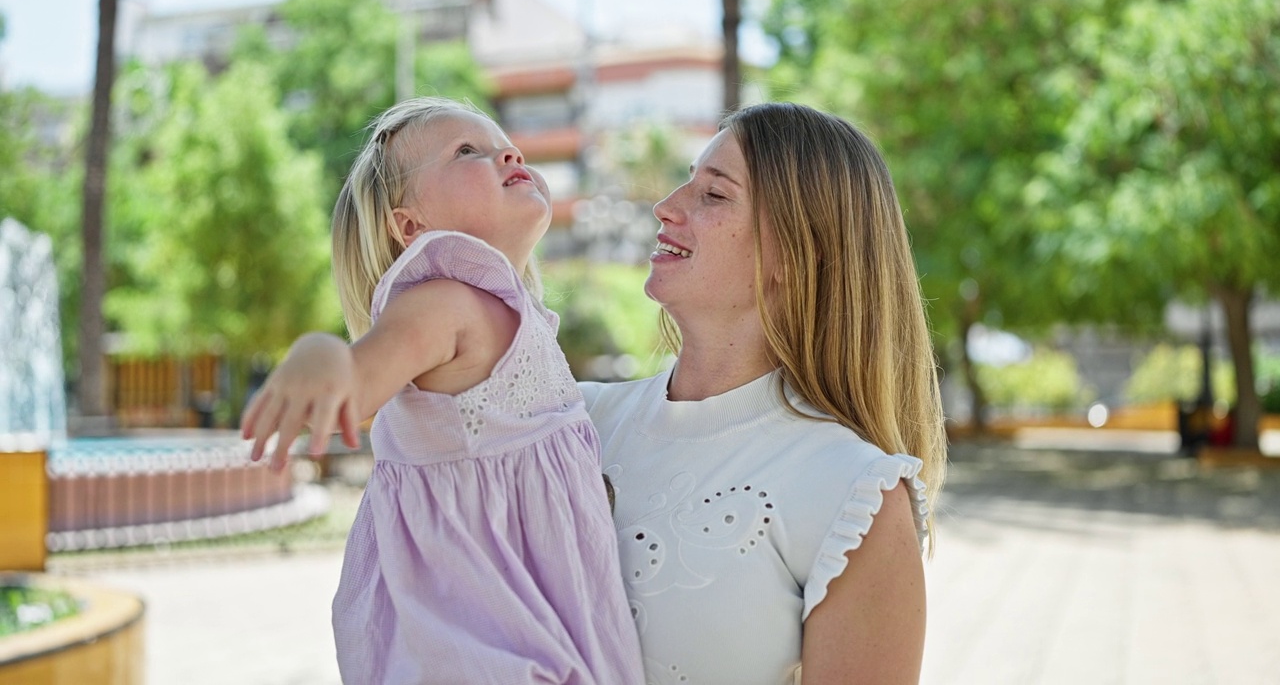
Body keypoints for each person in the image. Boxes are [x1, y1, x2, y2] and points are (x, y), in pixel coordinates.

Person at [239, 97, 644, 684]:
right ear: (411, 226)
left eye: (503, 141)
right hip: (482, 644)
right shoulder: (443, 304)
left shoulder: (515, 319)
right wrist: (320, 354)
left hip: (542, 628)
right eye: (466, 151)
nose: (507, 151)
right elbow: (357, 383)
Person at [578, 102, 948, 684]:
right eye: (687, 182)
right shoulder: (575, 420)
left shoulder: (854, 493)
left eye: (714, 195)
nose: (666, 207)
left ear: (798, 253)